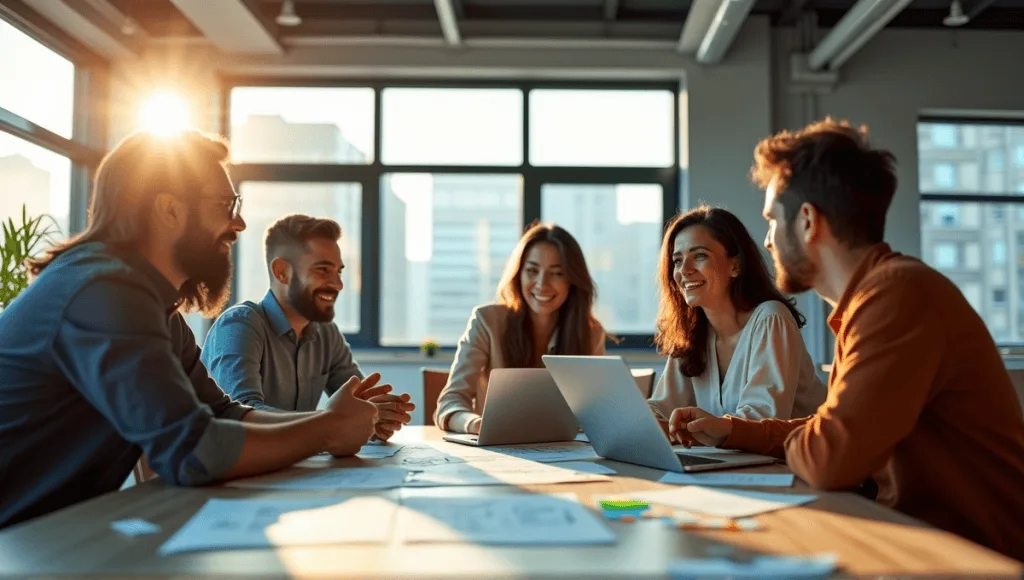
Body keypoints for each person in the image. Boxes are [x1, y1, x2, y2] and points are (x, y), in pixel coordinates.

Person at [670, 118, 1024, 561]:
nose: (767, 240)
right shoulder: (870, 299)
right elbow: (831, 437)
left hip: (971, 558)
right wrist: (735, 430)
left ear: (806, 221)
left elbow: (829, 457)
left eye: (771, 221)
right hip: (916, 538)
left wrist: (792, 437)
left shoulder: (896, 297)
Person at [0, 130, 390, 529]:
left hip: (55, 534)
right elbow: (192, 451)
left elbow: (222, 412)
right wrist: (326, 429)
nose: (237, 223)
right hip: (17, 544)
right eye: (225, 204)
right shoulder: (103, 290)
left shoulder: (154, 304)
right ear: (169, 210)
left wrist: (333, 423)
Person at [202, 214, 414, 441]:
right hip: (230, 471)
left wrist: (375, 419)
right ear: (281, 272)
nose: (338, 284)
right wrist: (333, 422)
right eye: (323, 270)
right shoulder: (239, 325)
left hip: (292, 467)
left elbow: (358, 407)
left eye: (339, 271)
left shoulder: (326, 333)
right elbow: (243, 417)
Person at [648, 206, 825, 429]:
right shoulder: (692, 334)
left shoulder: (771, 318)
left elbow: (764, 418)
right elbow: (663, 407)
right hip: (733, 462)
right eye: (677, 260)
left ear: (735, 265)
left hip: (792, 462)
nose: (684, 270)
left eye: (700, 255)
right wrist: (645, 418)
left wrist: (698, 427)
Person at [434, 222, 607, 434]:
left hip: (564, 453)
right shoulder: (487, 321)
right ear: (518, 274)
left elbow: (597, 410)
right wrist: (475, 424)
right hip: (498, 451)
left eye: (557, 273)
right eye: (532, 271)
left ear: (572, 280)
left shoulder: (591, 332)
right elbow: (450, 402)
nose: (542, 284)